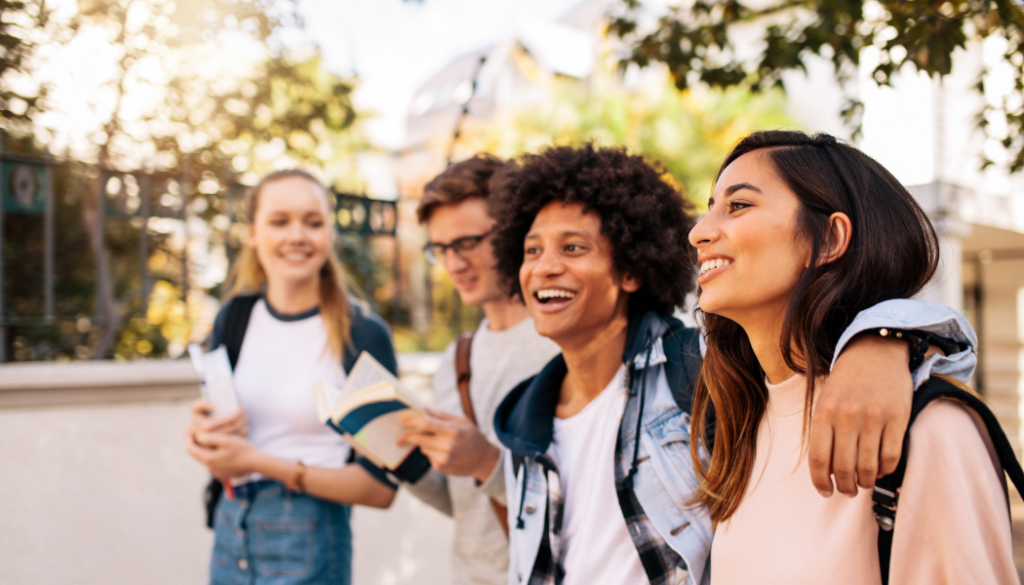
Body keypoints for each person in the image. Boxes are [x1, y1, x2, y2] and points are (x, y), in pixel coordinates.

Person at [487, 144, 977, 585]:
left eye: (573, 247)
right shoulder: (520, 420)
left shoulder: (696, 376)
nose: (699, 233)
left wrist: (884, 339)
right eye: (531, 251)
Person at [688, 131, 1015, 584]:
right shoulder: (737, 422)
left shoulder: (927, 428)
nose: (698, 232)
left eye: (738, 205)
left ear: (829, 238)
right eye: (709, 207)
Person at [184, 169, 398, 585]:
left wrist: (257, 462)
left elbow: (380, 489)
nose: (297, 235)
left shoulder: (362, 333)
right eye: (279, 221)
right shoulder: (234, 318)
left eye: (313, 222)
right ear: (252, 233)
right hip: (231, 527)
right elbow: (219, 429)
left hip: (310, 537)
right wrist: (201, 435)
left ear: (329, 233)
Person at [396, 154, 561, 585]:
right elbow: (467, 508)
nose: (454, 264)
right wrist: (396, 458)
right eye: (441, 249)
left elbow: (590, 504)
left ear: (512, 231)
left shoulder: (564, 345)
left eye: (467, 242)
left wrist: (487, 461)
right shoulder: (456, 360)